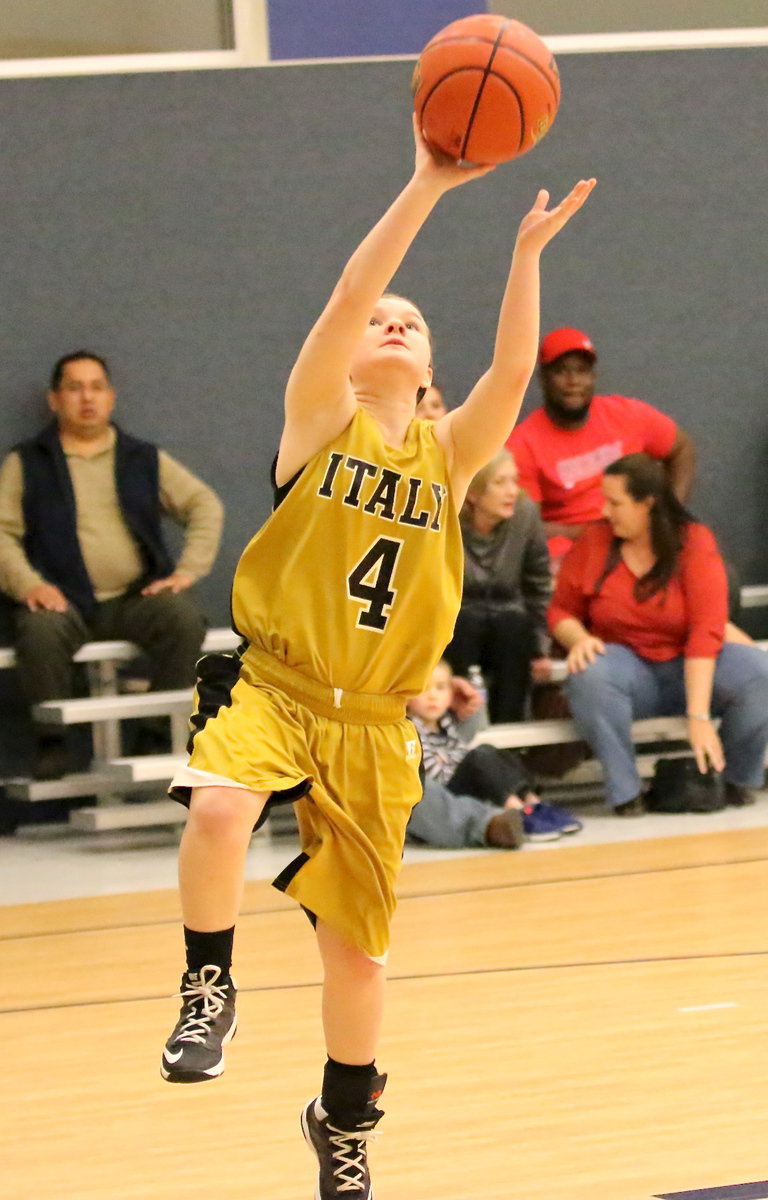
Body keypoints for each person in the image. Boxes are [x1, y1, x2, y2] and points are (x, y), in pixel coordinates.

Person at [159, 110, 594, 1200]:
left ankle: (343, 1122)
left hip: (371, 722)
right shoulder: (317, 421)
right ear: (349, 356)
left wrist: (525, 255)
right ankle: (207, 986)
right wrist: (428, 186)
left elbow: (511, 368)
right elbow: (354, 291)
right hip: (277, 682)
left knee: (357, 955)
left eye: (413, 322)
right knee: (217, 808)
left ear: (430, 367)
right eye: (380, 322)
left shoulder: (447, 462)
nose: (392, 323)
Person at [0, 350, 224, 780]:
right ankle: (53, 743)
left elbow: (203, 504)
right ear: (54, 399)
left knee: (182, 617)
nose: (87, 397)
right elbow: (3, 533)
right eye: (74, 387)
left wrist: (185, 573)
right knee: (38, 630)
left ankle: (156, 733)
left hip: (132, 598)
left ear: (111, 397)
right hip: (63, 601)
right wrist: (29, 585)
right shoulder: (27, 462)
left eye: (97, 387)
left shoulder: (141, 458)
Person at [548, 452, 768, 816]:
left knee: (760, 673)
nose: (605, 511)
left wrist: (698, 717)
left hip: (693, 667)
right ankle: (625, 792)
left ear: (647, 504)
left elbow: (706, 632)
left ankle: (734, 780)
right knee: (591, 673)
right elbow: (560, 611)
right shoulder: (594, 541)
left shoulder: (694, 541)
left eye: (615, 503)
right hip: (630, 671)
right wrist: (578, 639)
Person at [507, 327, 696, 564]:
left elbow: (682, 449)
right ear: (543, 378)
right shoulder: (522, 444)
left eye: (582, 371)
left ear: (593, 377)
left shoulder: (627, 415)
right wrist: (589, 534)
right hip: (574, 549)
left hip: (639, 535)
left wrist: (668, 515)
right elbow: (527, 528)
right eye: (562, 372)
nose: (574, 381)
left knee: (712, 571)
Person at [407, 660, 581, 844]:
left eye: (441, 688)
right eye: (423, 689)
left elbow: (478, 720)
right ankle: (519, 815)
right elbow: (432, 776)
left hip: (467, 787)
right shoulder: (410, 728)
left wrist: (472, 690)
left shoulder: (448, 724)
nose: (432, 696)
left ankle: (533, 804)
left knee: (490, 751)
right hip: (444, 794)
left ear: (451, 694)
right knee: (480, 756)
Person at [444, 447, 555, 721]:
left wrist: (541, 647)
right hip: (458, 620)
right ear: (473, 493)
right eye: (500, 482)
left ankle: (510, 735)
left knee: (513, 627)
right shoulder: (447, 516)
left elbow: (538, 585)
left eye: (514, 481)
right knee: (462, 623)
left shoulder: (526, 514)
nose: (512, 492)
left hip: (509, 621)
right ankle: (457, 727)